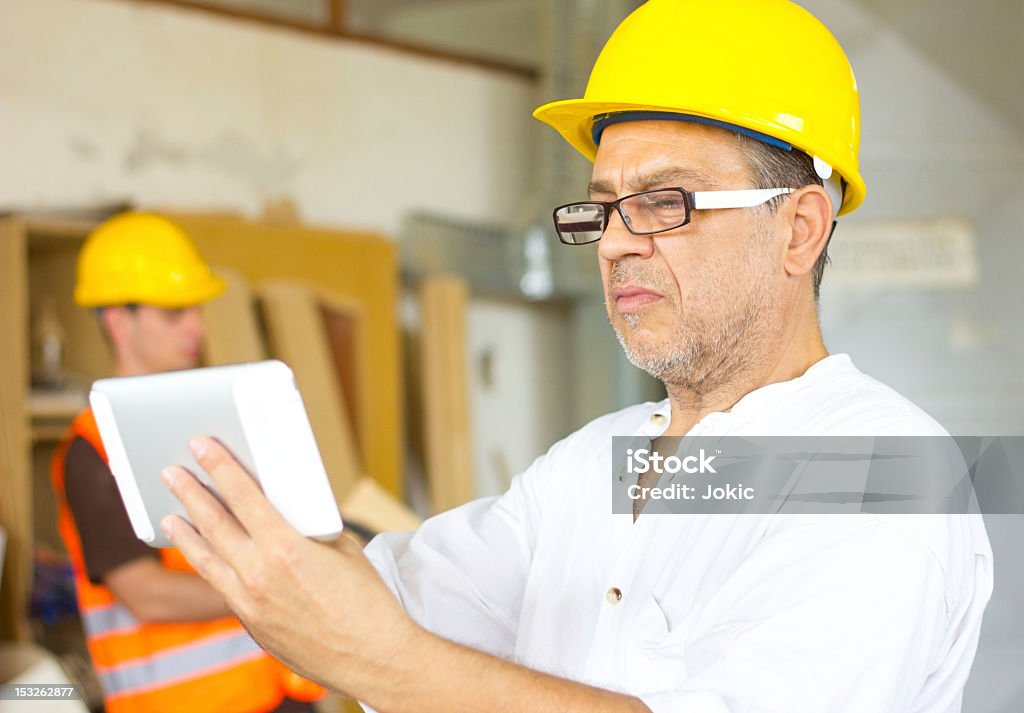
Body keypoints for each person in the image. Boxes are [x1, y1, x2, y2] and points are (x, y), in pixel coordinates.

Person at [160, 1, 993, 711]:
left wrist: (384, 659)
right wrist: (277, 543)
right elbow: (390, 607)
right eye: (604, 209)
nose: (617, 244)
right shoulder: (592, 462)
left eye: (665, 202)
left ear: (800, 228)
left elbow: (386, 648)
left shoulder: (888, 471)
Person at [50, 212, 320, 713]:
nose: (197, 325)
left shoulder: (208, 422)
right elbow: (147, 595)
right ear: (118, 321)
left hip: (274, 694)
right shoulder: (93, 450)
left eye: (196, 309)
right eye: (175, 313)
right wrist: (283, 586)